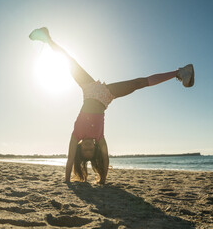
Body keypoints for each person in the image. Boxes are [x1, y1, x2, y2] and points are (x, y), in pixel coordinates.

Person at [29, 27, 194, 184]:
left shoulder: (76, 135)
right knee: (138, 83)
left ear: (80, 148)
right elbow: (106, 159)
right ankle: (179, 72)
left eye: (84, 150)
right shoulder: (99, 138)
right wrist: (102, 180)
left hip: (88, 89)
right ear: (95, 149)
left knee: (69, 61)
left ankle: (47, 38)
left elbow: (70, 159)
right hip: (106, 96)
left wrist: (66, 180)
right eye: (90, 151)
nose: (87, 147)